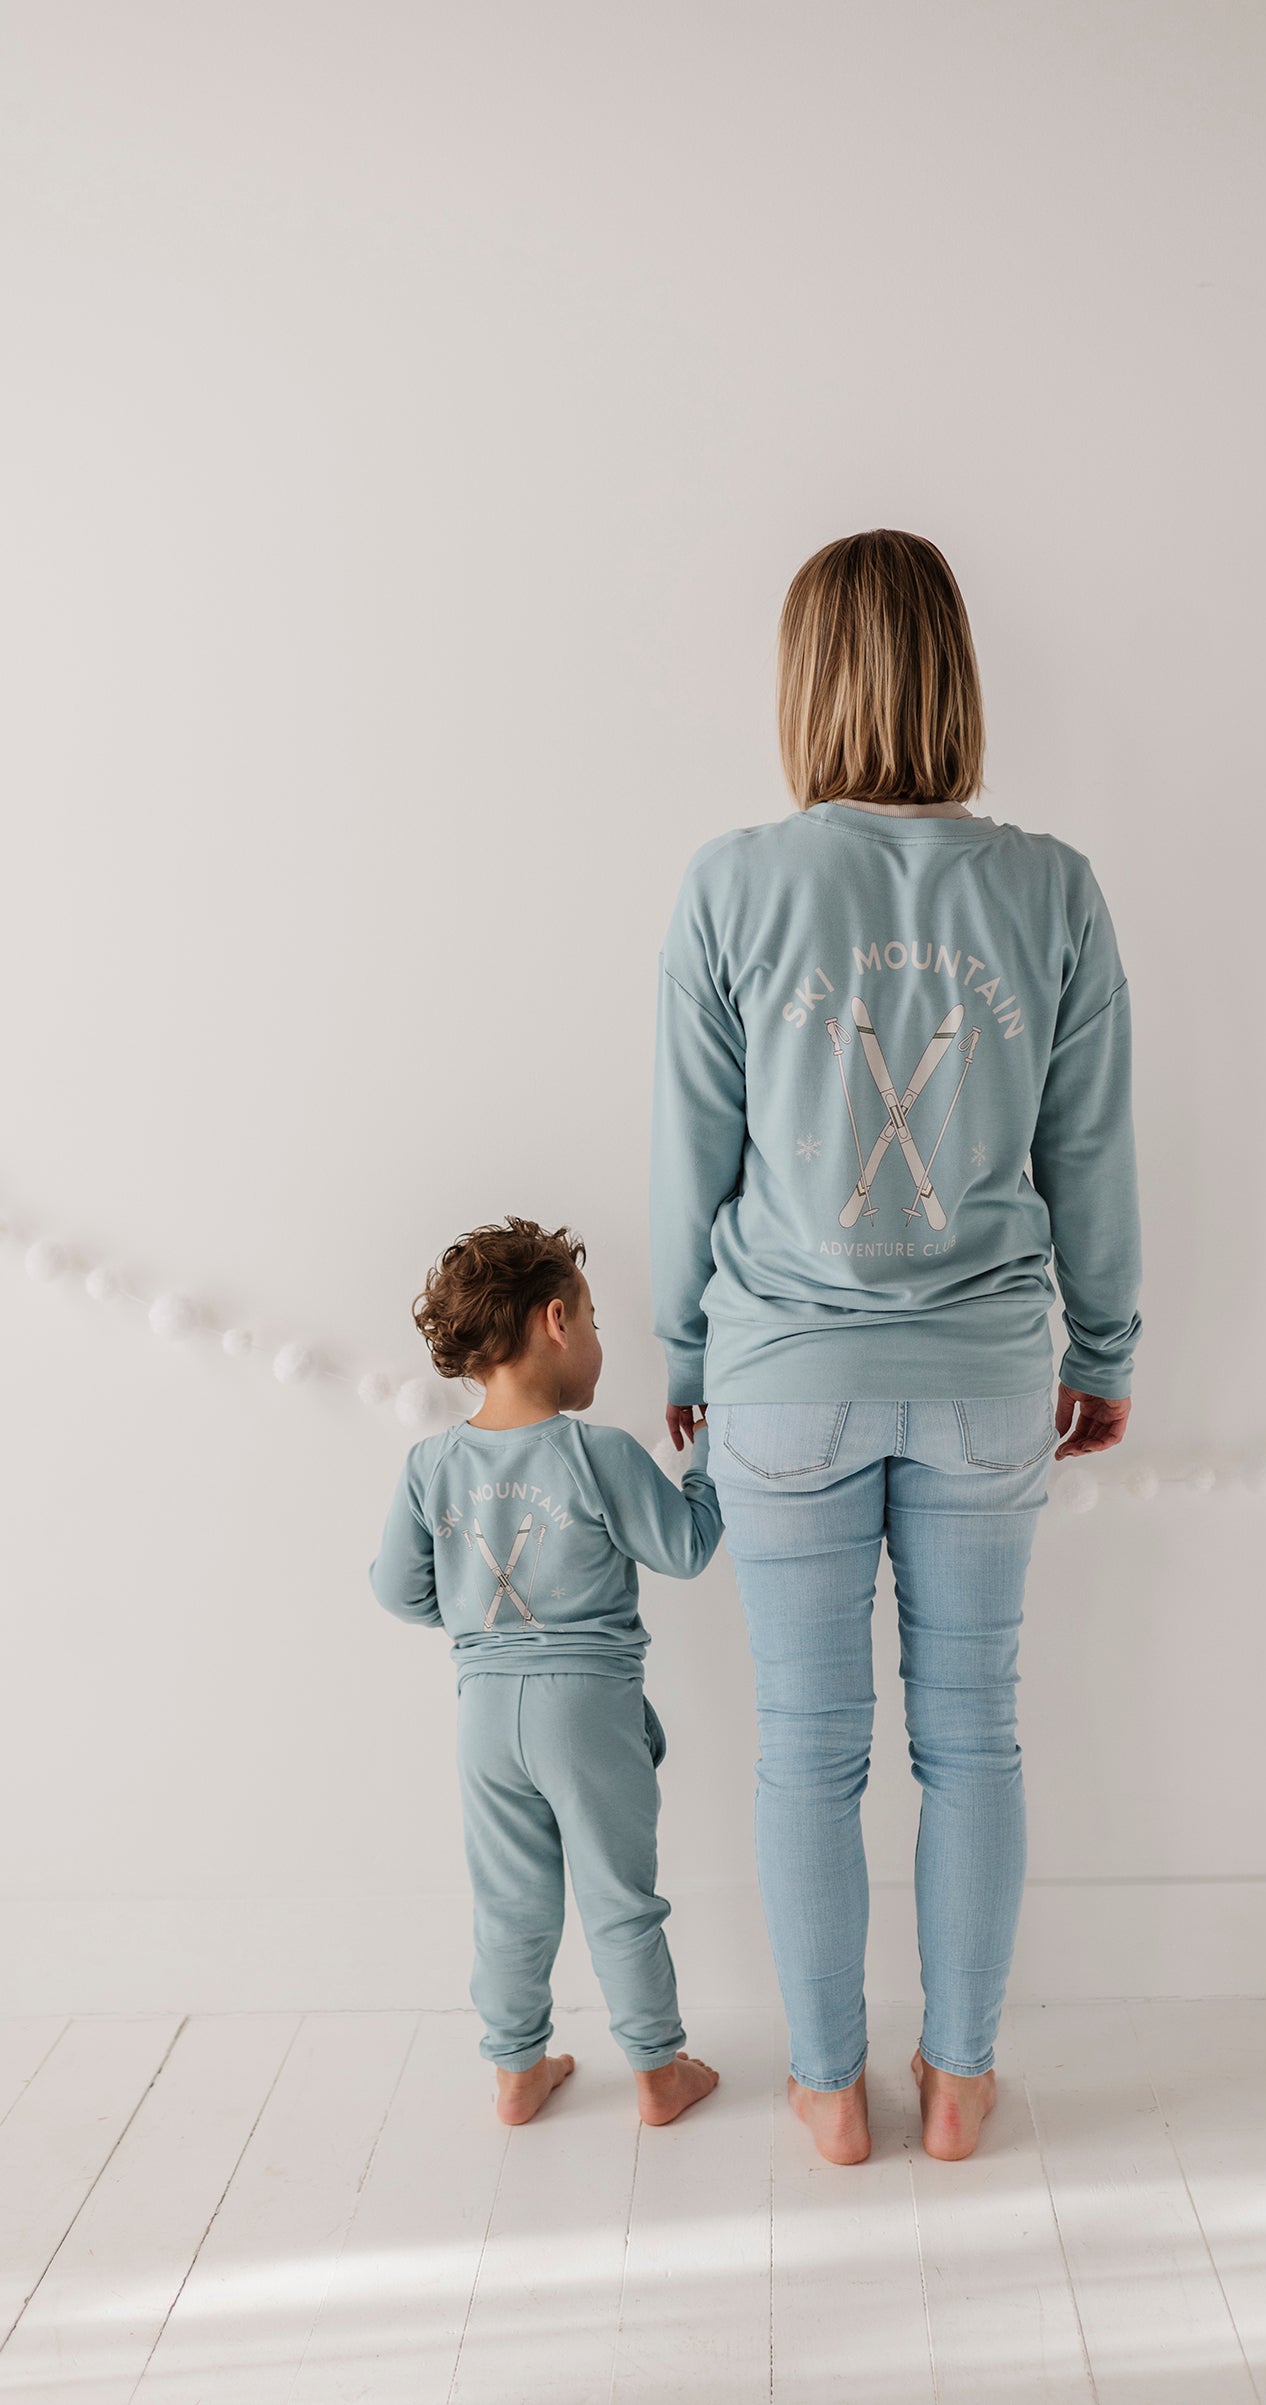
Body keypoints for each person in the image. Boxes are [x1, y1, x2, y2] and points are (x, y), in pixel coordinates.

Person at [649, 530, 1141, 2164]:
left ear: (805, 686)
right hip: (990, 1377)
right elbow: (1091, 1151)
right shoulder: (1052, 890)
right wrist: (1104, 1349)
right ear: (957, 677)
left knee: (808, 1749)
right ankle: (960, 2080)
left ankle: (821, 2087)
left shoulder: (733, 885)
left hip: (780, 1379)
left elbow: (689, 1154)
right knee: (972, 1734)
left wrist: (683, 1352)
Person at [369, 1218, 723, 2129]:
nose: (598, 1338)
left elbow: (398, 1591)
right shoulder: (597, 1454)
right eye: (594, 1319)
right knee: (618, 1898)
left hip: (485, 1716)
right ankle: (658, 2073)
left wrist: (476, 1621)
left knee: (509, 1903)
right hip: (586, 1712)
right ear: (556, 1321)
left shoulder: (430, 1465)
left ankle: (517, 2070)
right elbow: (686, 1547)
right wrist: (712, 1459)